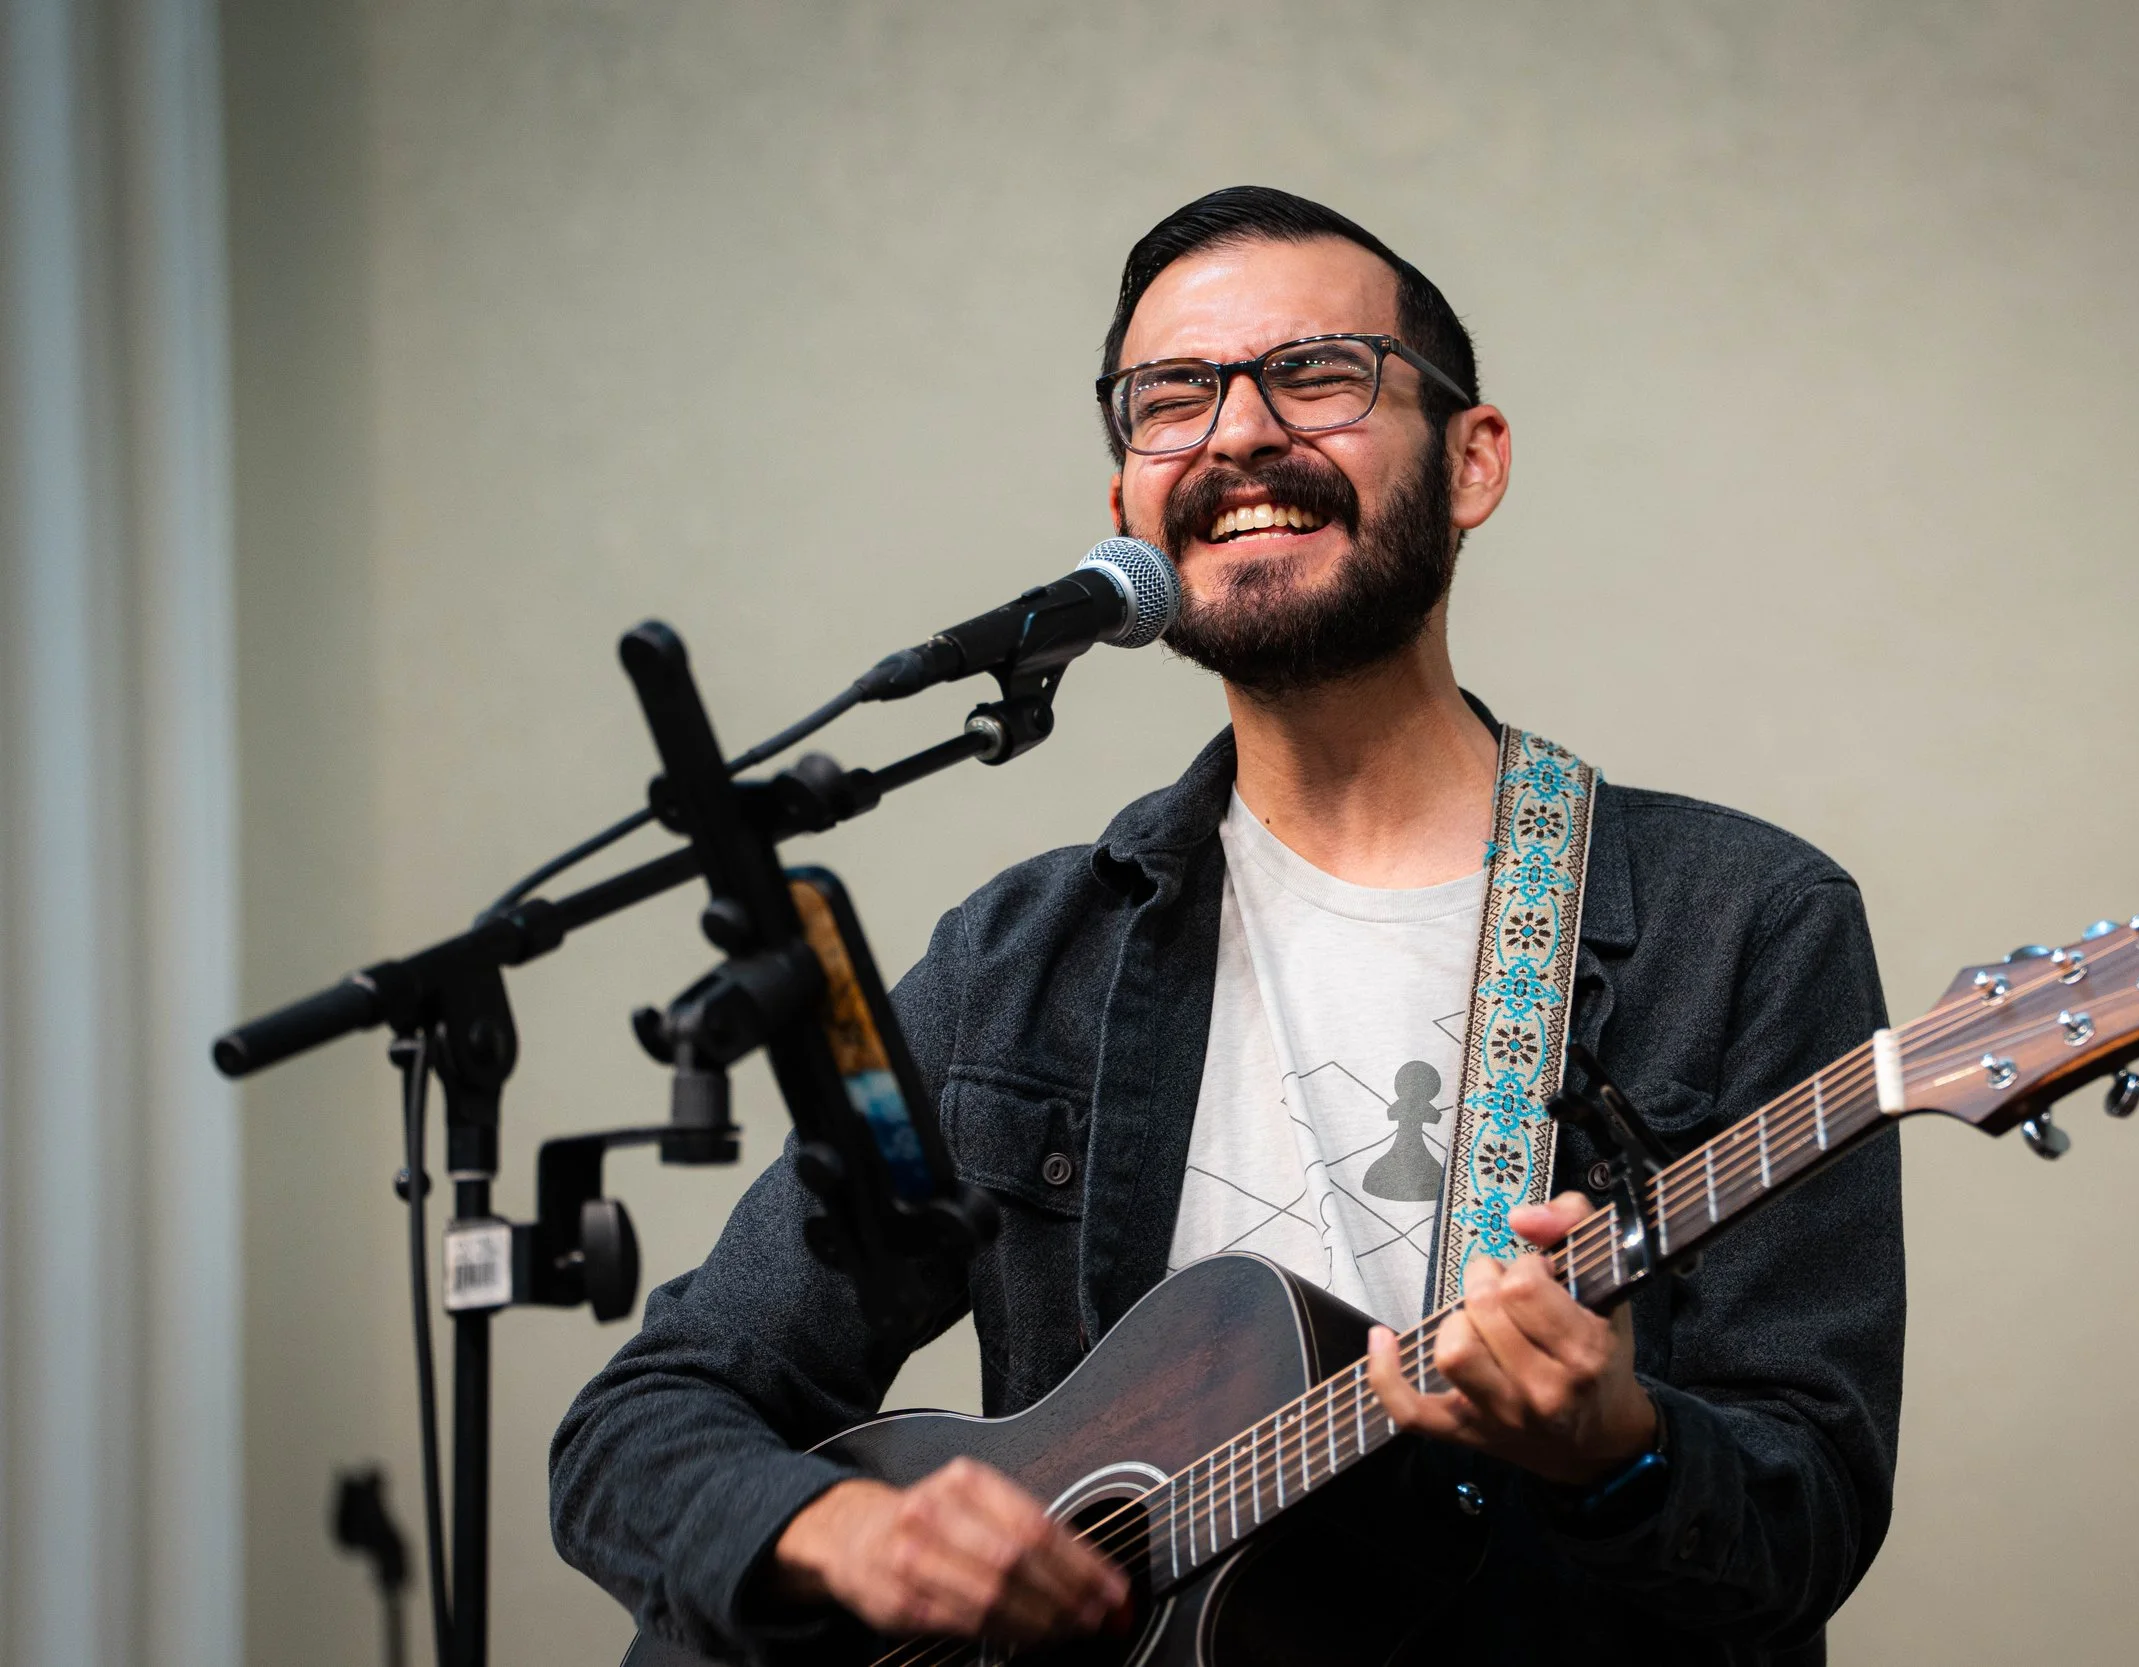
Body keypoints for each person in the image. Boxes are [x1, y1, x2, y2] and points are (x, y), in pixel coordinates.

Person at [551, 186, 1905, 1666]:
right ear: (1126, 506)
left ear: (1472, 461)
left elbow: (1811, 1511)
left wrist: (1619, 1449)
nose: (1239, 434)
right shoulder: (1019, 963)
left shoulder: (1744, 924)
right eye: (1173, 398)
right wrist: (847, 1534)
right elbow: (645, 1421)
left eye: (1317, 373)